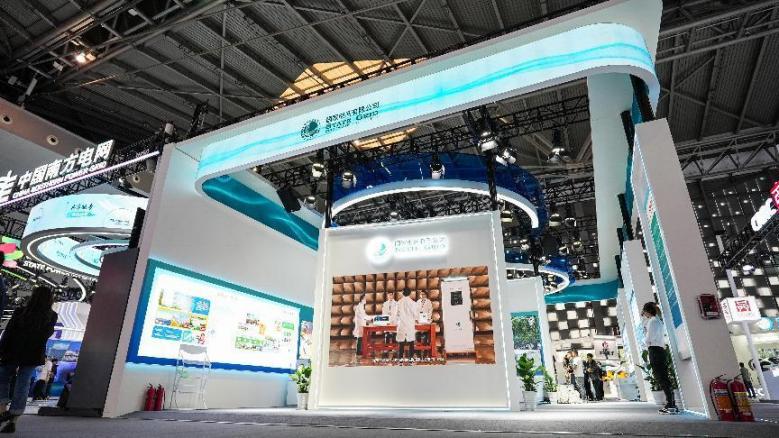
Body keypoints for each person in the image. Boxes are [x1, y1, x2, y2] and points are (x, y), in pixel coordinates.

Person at [0, 286, 58, 433]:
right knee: (23, 383)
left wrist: (1, 349)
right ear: (50, 299)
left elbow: (9, 332)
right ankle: (13, 419)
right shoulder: (51, 316)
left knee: (3, 379)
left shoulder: (20, 311)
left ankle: (2, 411)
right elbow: (45, 335)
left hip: (12, 351)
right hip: (32, 354)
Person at [642, 302, 677, 414]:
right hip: (660, 350)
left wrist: (645, 340)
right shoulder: (658, 321)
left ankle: (670, 405)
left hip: (654, 350)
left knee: (661, 378)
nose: (644, 314)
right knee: (664, 377)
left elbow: (649, 339)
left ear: (647, 311)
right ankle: (671, 403)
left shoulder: (652, 321)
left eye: (644, 312)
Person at [396, 288, 417, 363]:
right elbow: (415, 315)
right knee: (411, 343)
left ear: (402, 293)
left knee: (401, 343)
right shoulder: (413, 303)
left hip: (401, 324)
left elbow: (396, 314)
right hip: (410, 324)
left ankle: (400, 360)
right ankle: (411, 359)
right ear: (410, 293)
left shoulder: (398, 302)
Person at [352, 294, 372, 362]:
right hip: (360, 324)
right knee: (360, 337)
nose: (365, 300)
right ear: (362, 299)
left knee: (361, 337)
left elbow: (364, 315)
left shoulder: (361, 306)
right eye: (365, 299)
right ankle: (358, 352)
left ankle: (360, 351)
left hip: (361, 323)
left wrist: (370, 317)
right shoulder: (359, 306)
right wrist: (370, 318)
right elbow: (363, 316)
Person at [415, 291, 433, 359]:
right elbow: (415, 311)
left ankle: (425, 354)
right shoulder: (417, 302)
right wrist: (416, 319)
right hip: (419, 321)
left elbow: (430, 311)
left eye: (423, 294)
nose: (422, 295)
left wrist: (427, 318)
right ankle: (418, 354)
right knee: (417, 336)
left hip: (426, 321)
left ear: (426, 295)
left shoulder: (428, 302)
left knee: (425, 337)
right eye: (421, 294)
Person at [381, 292, 398, 358]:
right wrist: (386, 320)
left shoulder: (396, 303)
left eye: (391, 295)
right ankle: (386, 349)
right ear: (387, 296)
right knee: (387, 335)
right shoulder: (385, 303)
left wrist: (392, 319)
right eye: (389, 295)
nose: (390, 296)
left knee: (394, 336)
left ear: (393, 295)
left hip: (394, 321)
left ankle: (394, 350)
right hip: (387, 321)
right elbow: (384, 313)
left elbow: (396, 313)